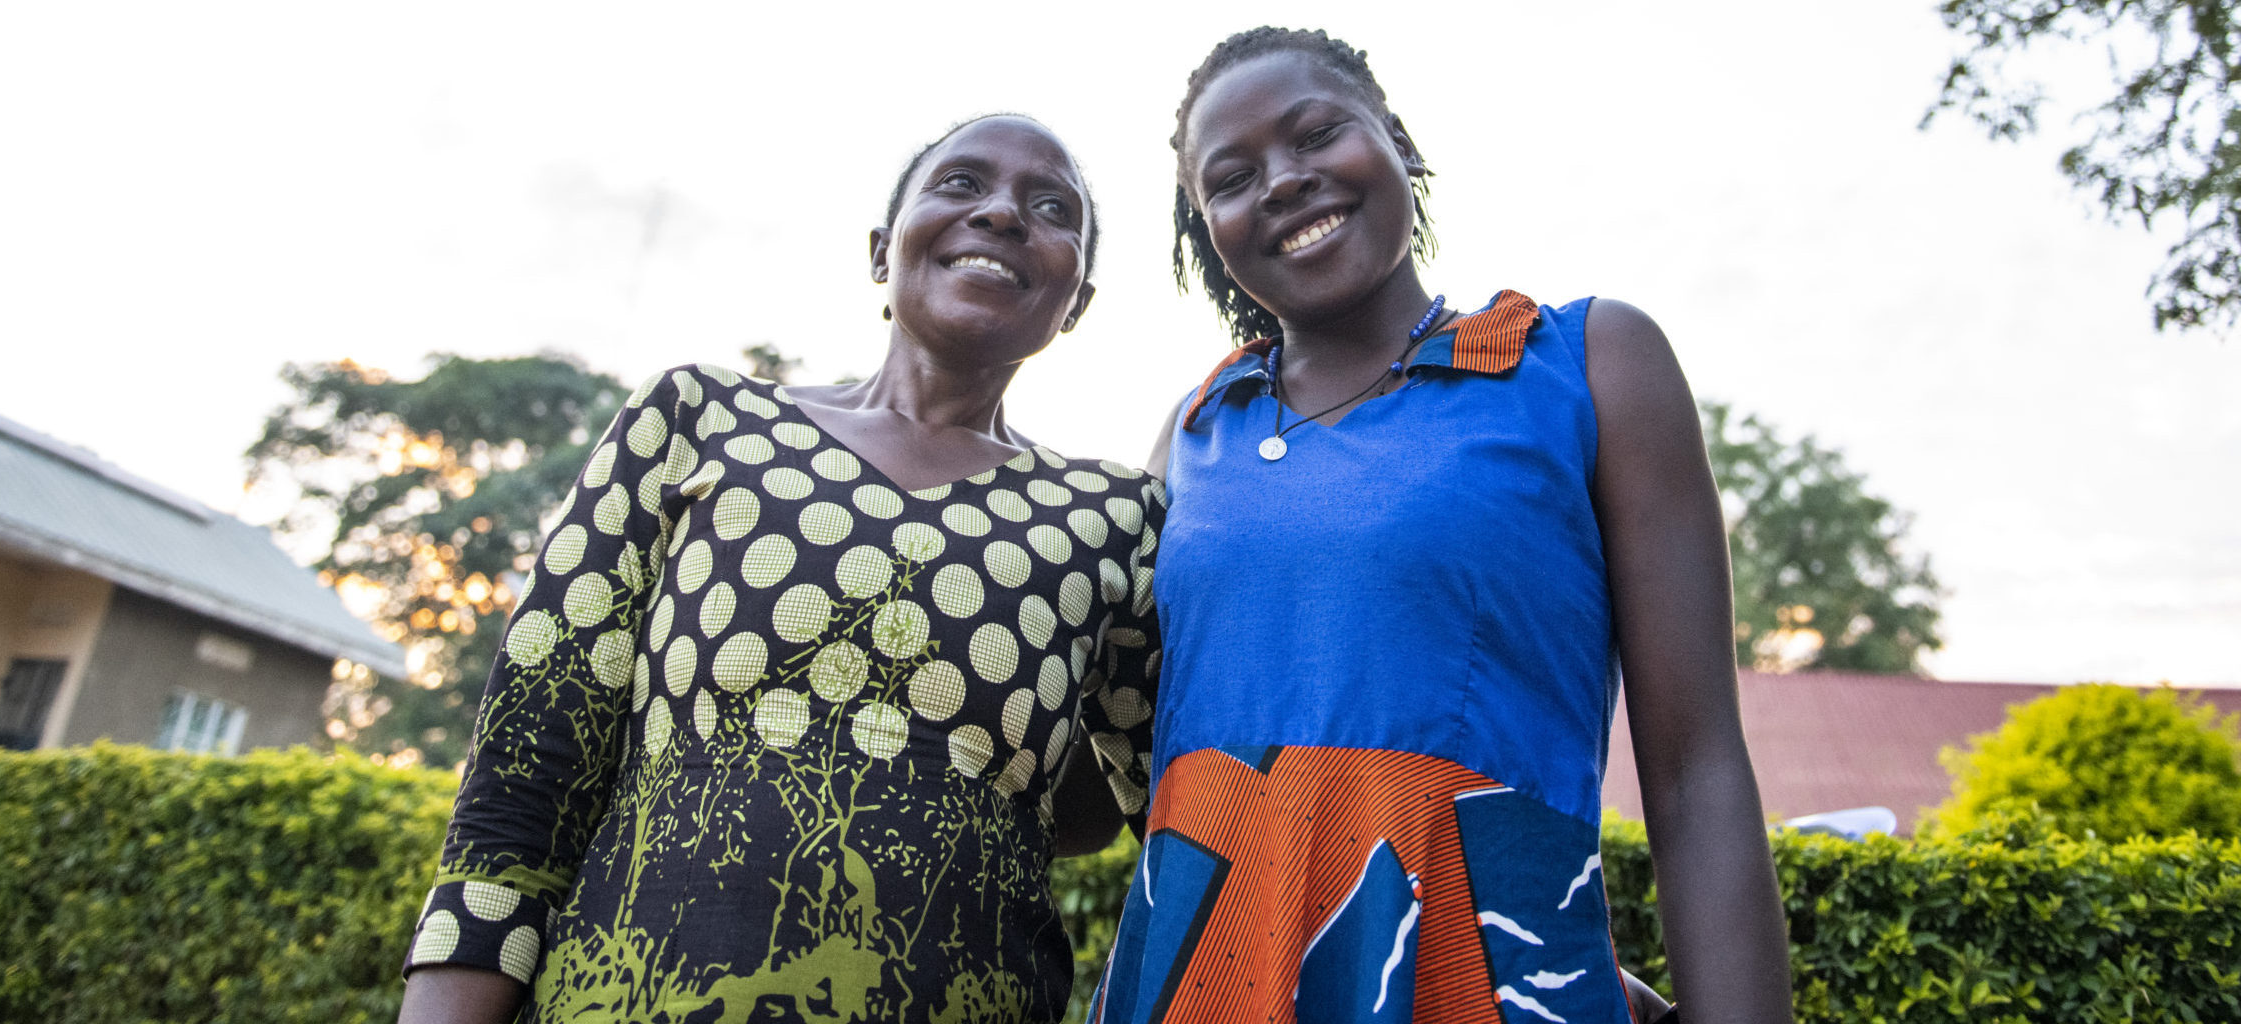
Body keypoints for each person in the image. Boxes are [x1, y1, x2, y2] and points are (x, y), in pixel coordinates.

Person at [1081, 28, 1792, 1024]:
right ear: (1208, 230)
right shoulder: (1192, 434)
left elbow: (1696, 773)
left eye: (1314, 135)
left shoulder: (1586, 365)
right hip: (1194, 988)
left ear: (1400, 143)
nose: (1282, 182)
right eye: (1232, 179)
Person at [396, 113, 1162, 1024]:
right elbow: (527, 776)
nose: (1001, 213)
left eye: (1052, 208)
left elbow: (1176, 809)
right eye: (961, 184)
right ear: (881, 251)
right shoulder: (697, 418)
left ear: (1076, 302)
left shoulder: (1117, 517)